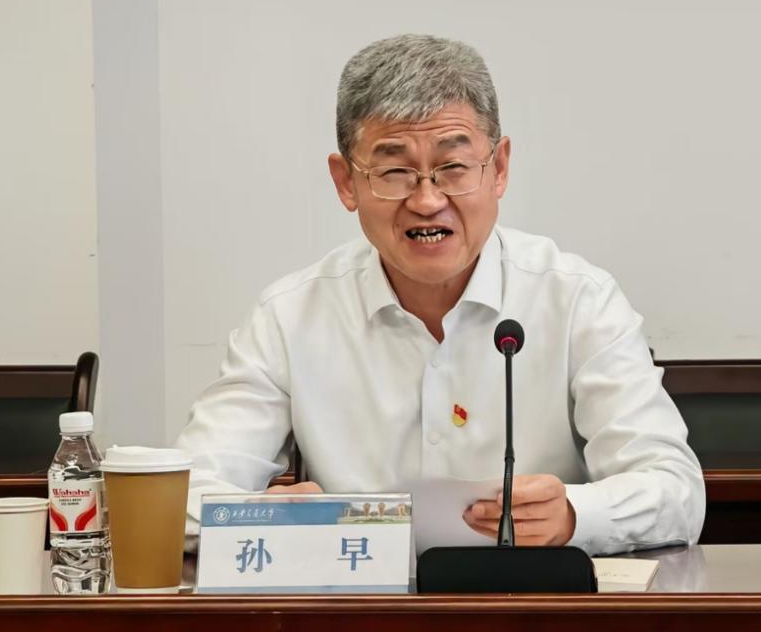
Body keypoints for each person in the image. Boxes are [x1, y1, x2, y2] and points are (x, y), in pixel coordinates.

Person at [175, 34, 705, 554]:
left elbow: (675, 491)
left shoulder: (578, 300)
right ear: (346, 182)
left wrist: (572, 515)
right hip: (358, 604)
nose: (427, 201)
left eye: (452, 168)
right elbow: (184, 497)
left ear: (499, 168)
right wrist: (262, 518)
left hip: (528, 603)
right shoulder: (290, 317)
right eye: (394, 171)